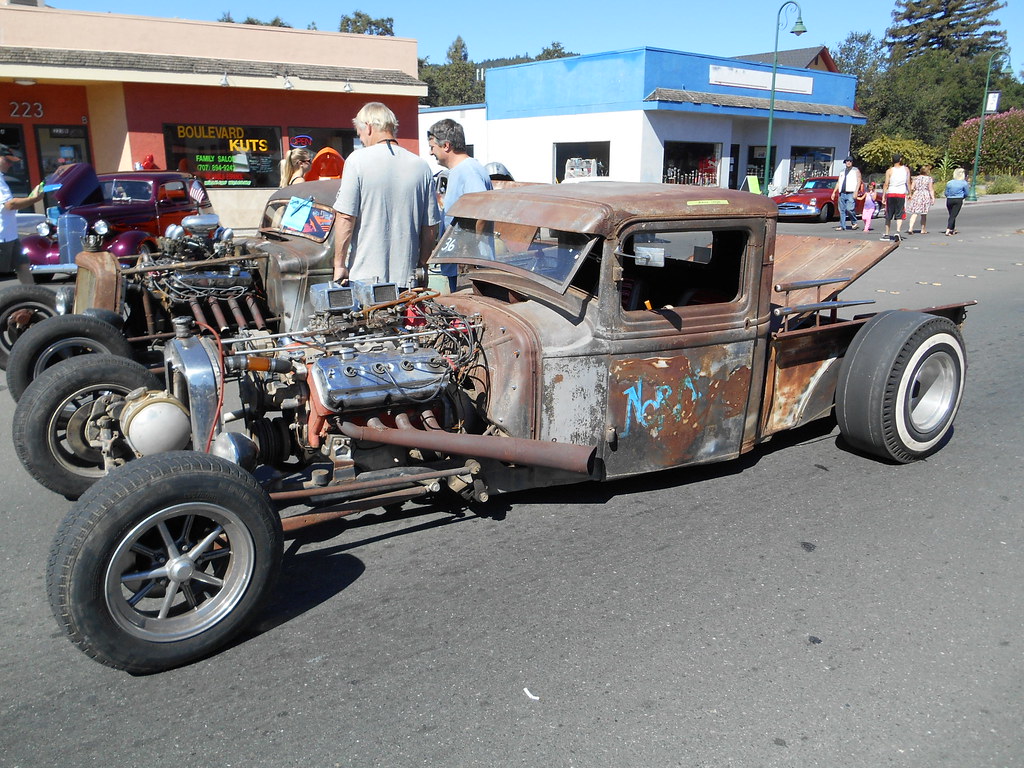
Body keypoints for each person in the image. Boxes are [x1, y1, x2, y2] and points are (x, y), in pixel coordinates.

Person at [332, 102, 439, 288]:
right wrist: (422, 265)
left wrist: (339, 265)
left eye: (360, 134)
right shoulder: (421, 166)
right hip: (407, 278)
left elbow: (345, 217)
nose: (362, 140)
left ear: (370, 127)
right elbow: (430, 227)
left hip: (366, 279)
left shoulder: (356, 161)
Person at [427, 119, 492, 291]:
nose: (430, 152)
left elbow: (482, 211)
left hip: (468, 269)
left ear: (446, 146)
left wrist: (468, 252)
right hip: (462, 267)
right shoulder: (461, 171)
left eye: (432, 147)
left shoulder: (468, 170)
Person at [0, 144, 45, 284]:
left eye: (12, 162)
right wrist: (34, 199)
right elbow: (10, 204)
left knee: (23, 265)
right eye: (7, 161)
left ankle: (32, 300)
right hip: (2, 237)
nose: (10, 165)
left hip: (10, 235)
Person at [881, 154, 910, 241]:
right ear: (900, 159)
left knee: (888, 214)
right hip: (901, 193)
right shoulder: (906, 169)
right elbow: (908, 182)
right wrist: (910, 193)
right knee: (900, 214)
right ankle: (897, 231)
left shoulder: (889, 171)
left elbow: (886, 184)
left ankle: (887, 233)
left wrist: (883, 196)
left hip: (891, 193)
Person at [830, 156, 862, 231]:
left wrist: (856, 191)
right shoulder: (842, 171)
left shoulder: (855, 170)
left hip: (851, 192)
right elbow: (839, 182)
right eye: (847, 161)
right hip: (842, 193)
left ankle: (854, 222)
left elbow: (859, 180)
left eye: (850, 161)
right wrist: (834, 192)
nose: (848, 162)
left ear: (852, 162)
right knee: (842, 210)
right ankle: (842, 225)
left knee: (850, 208)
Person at [906, 164, 935, 234]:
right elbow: (931, 189)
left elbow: (912, 188)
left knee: (914, 213)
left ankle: (910, 228)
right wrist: (933, 197)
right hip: (925, 195)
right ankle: (923, 229)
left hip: (917, 194)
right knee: (924, 213)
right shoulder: (929, 179)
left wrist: (910, 194)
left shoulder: (916, 178)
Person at [943, 167, 969, 236]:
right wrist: (963, 197)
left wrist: (949, 196)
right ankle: (948, 229)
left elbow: (946, 192)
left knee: (952, 214)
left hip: (949, 199)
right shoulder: (964, 183)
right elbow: (966, 193)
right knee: (953, 215)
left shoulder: (949, 183)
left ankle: (952, 229)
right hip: (958, 199)